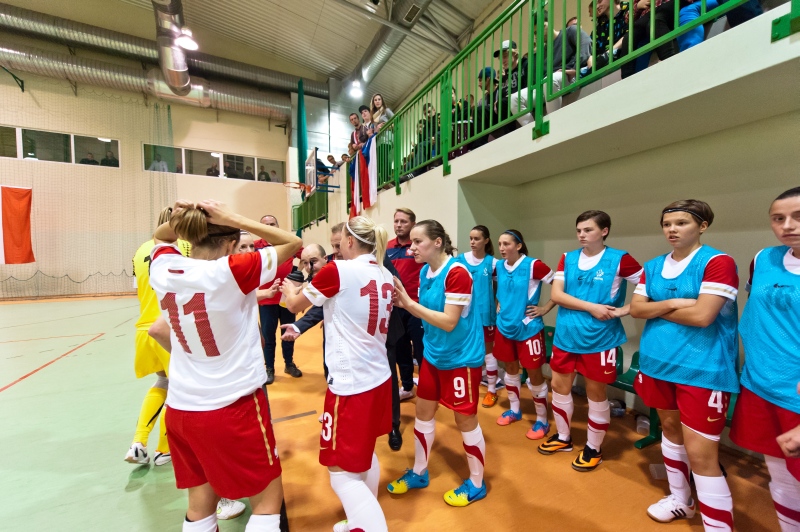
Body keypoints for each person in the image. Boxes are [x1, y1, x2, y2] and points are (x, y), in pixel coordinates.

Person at [148, 198, 302, 532]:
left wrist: (189, 218)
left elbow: (160, 237)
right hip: (232, 407)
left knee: (199, 506)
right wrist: (230, 216)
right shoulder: (232, 270)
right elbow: (293, 242)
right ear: (232, 244)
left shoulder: (164, 267)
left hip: (181, 408)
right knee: (266, 502)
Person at [630, 199, 739, 530]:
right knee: (670, 431)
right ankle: (681, 499)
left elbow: (704, 316)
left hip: (703, 369)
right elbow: (635, 309)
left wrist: (656, 307)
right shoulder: (651, 266)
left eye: (681, 223)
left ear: (702, 226)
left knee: (703, 456)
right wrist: (676, 302)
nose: (671, 230)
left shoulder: (718, 262)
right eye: (667, 224)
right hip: (657, 364)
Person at [282, 216, 393, 532]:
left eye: (337, 242)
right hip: (378, 375)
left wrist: (291, 287)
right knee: (364, 454)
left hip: (351, 382)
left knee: (340, 471)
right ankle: (359, 520)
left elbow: (294, 305)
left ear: (348, 242)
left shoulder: (339, 270)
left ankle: (369, 525)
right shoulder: (383, 272)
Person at [387, 220, 488, 507]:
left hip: (461, 359)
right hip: (434, 355)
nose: (411, 249)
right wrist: (405, 304)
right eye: (412, 242)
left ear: (438, 242)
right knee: (423, 411)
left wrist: (408, 304)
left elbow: (448, 320)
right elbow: (427, 314)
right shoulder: (424, 271)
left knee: (464, 420)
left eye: (418, 242)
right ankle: (419, 471)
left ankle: (477, 483)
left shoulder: (457, 273)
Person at [538, 211, 643, 473]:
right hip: (566, 336)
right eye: (579, 230)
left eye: (588, 230)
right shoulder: (568, 258)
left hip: (600, 340)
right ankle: (563, 438)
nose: (582, 235)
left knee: (596, 395)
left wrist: (624, 309)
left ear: (604, 231)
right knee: (559, 387)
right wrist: (592, 307)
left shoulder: (620, 259)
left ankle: (593, 448)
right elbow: (557, 295)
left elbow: (650, 288)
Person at [729, 187, 800, 531]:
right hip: (760, 383)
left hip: (796, 396)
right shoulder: (763, 259)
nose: (788, 225)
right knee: (780, 473)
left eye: (798, 216)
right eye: (778, 218)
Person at [127, 206, 190, 468]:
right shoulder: (185, 247)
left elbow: (138, 287)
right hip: (169, 327)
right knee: (180, 390)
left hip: (144, 328)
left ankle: (138, 442)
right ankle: (164, 449)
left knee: (162, 384)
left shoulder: (139, 251)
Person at [493, 229, 555, 440]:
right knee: (510, 368)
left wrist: (545, 308)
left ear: (518, 246)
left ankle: (542, 420)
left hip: (528, 327)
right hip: (504, 325)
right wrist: (499, 302)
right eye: (500, 244)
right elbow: (498, 286)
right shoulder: (499, 265)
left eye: (507, 244)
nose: (502, 248)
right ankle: (515, 410)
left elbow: (560, 285)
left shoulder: (533, 265)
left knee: (535, 373)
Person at [456, 226, 501, 407]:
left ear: (486, 240)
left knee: (488, 353)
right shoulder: (460, 260)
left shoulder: (493, 263)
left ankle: (491, 390)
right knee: (463, 351)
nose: (473, 242)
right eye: (471, 238)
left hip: (485, 314)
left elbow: (498, 288)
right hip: (464, 313)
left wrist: (497, 304)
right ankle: (463, 389)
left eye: (477, 239)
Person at [255, 215, 303, 383]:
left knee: (288, 332)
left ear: (278, 225)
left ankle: (289, 364)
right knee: (268, 337)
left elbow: (305, 254)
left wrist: (302, 271)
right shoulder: (255, 247)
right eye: (266, 225)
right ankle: (269, 368)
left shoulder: (288, 243)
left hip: (286, 297)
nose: (270, 227)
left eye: (273, 224)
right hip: (266, 299)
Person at [387, 208, 425, 401]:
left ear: (412, 224)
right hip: (395, 308)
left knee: (421, 350)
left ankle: (428, 389)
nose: (399, 225)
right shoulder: (387, 248)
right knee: (401, 350)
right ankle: (408, 386)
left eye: (403, 221)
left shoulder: (418, 247)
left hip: (416, 307)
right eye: (396, 221)